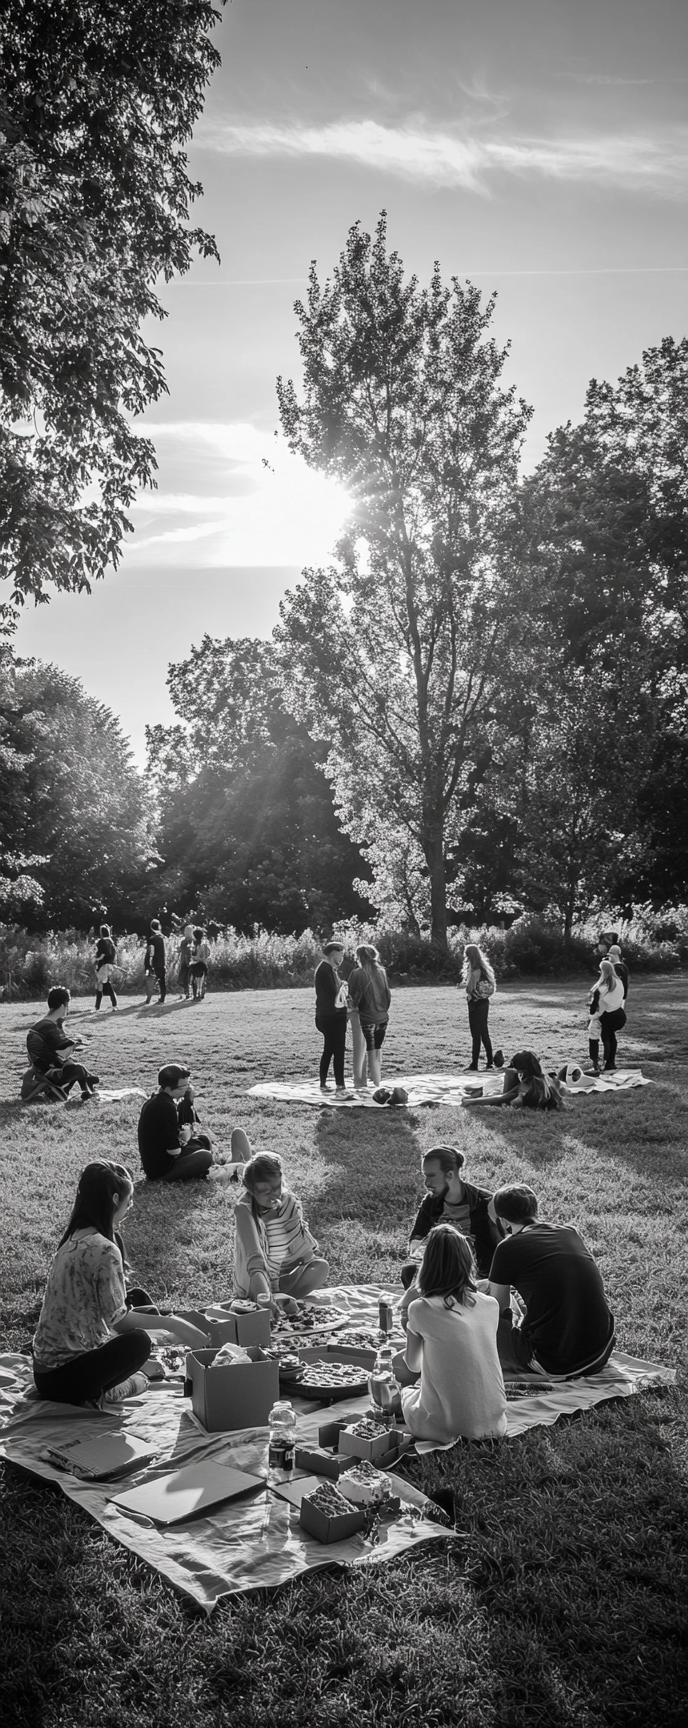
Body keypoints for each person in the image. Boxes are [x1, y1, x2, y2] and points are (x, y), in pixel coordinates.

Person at [32, 1161, 209, 1406]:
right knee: (139, 1342)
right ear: (115, 1199)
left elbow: (105, 1316)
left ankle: (120, 1378)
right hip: (65, 1381)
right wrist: (176, 1325)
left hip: (46, 1373)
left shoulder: (77, 1235)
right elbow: (119, 1321)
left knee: (139, 1300)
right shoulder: (103, 1249)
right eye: (129, 1201)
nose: (130, 1207)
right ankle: (108, 1390)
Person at [484, 1184, 615, 1379]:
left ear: (503, 1221)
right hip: (601, 1351)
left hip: (553, 1362)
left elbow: (499, 1309)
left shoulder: (507, 1247)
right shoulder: (570, 1232)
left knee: (482, 1313)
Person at [399, 1224, 507, 1444]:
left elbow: (413, 1366)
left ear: (426, 1265)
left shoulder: (420, 1308)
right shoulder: (491, 1304)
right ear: (467, 1261)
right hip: (496, 1422)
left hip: (445, 1426)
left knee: (403, 1390)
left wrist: (407, 1325)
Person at [400, 1148, 505, 1307]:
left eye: (431, 1176)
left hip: (478, 1275)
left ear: (450, 1175)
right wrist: (419, 1253)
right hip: (441, 1269)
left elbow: (504, 1245)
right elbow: (417, 1236)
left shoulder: (487, 1203)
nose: (426, 1183)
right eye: (424, 1176)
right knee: (408, 1270)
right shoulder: (431, 1202)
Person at [233, 1152, 329, 1304]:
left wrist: (307, 1258)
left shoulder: (288, 1202)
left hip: (283, 1275)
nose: (274, 1195)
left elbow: (300, 1243)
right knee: (261, 1288)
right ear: (251, 1190)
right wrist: (264, 1297)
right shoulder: (244, 1210)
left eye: (277, 1187)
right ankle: (269, 1302)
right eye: (265, 1192)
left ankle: (281, 1302)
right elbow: (255, 1260)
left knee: (320, 1267)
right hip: (256, 1278)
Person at [137, 1063, 214, 1181]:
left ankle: (208, 1168)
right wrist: (185, 1138)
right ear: (168, 1088)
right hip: (161, 1170)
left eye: (187, 1087)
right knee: (205, 1156)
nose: (185, 1092)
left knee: (203, 1139)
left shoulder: (155, 1100)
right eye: (182, 1088)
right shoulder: (166, 1107)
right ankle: (207, 1169)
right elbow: (173, 1151)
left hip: (161, 1159)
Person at [26, 987, 100, 1101]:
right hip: (49, 1073)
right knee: (77, 1068)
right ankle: (86, 1090)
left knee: (72, 1065)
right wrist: (77, 1044)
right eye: (67, 1005)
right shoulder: (50, 1027)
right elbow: (64, 1052)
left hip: (40, 1070)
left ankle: (87, 1082)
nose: (68, 1009)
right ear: (62, 1006)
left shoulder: (41, 1024)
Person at [347, 943, 392, 1088]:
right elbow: (387, 994)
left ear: (359, 957)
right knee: (376, 1050)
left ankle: (365, 1084)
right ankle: (377, 1082)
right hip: (382, 1016)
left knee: (366, 1050)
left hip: (366, 1016)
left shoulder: (357, 973)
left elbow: (352, 996)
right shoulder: (381, 972)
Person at [314, 940, 349, 1094]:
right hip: (330, 1016)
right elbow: (334, 992)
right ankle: (340, 1084)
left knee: (329, 1049)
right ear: (333, 954)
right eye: (341, 954)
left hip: (332, 1015)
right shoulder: (324, 970)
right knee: (338, 1049)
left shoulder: (331, 970)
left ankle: (324, 1083)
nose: (342, 958)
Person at [461, 943, 496, 1071]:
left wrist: (467, 989)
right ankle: (489, 1062)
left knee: (476, 1035)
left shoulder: (475, 971)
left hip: (474, 1004)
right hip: (484, 1002)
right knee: (484, 1032)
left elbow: (469, 989)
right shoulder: (484, 970)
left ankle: (475, 1063)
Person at [595, 958, 627, 1072]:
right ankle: (611, 1062)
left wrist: (595, 1016)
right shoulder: (618, 981)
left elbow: (601, 1003)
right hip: (620, 1015)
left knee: (606, 1037)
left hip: (609, 1015)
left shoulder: (604, 986)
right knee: (611, 1037)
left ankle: (607, 1062)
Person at [94, 924, 118, 1012]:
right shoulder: (111, 942)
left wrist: (97, 959)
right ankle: (98, 1006)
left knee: (103, 984)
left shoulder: (102, 942)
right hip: (110, 965)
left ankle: (112, 1004)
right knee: (103, 984)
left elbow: (103, 954)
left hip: (104, 965)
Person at [144, 919, 166, 1004]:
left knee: (151, 981)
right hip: (162, 961)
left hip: (154, 962)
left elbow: (150, 952)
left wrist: (148, 963)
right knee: (162, 981)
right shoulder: (161, 938)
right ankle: (162, 997)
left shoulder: (151, 939)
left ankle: (148, 998)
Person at [189, 926, 210, 1000]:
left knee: (195, 980)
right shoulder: (203, 945)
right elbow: (207, 955)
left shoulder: (196, 945)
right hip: (202, 965)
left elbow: (199, 957)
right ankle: (200, 993)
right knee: (201, 980)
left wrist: (195, 958)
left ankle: (197, 994)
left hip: (196, 964)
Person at [178, 924, 195, 1000]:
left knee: (186, 978)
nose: (184, 932)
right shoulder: (186, 941)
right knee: (185, 978)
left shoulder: (187, 941)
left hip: (187, 961)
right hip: (187, 961)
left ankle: (188, 993)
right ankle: (188, 993)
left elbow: (185, 950)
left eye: (186, 930)